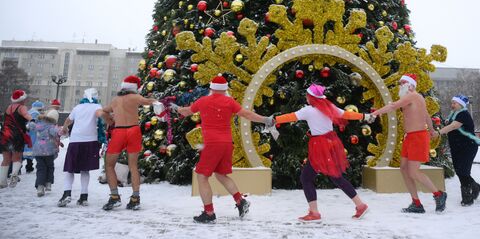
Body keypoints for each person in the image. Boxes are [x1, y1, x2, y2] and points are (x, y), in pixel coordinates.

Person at [176, 74, 272, 223]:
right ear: (225, 89)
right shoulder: (229, 102)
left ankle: (209, 213)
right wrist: (265, 119)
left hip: (212, 144)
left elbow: (187, 111)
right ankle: (241, 202)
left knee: (202, 177)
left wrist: (177, 108)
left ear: (211, 88)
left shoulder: (203, 101)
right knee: (221, 175)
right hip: (226, 144)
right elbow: (247, 114)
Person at [273, 84, 369, 222]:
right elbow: (347, 114)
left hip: (320, 146)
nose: (306, 97)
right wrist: (364, 116)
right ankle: (359, 205)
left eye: (307, 95)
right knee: (333, 177)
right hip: (331, 143)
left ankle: (315, 212)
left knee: (308, 178)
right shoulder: (329, 107)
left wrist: (273, 120)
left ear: (311, 97)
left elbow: (290, 117)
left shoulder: (308, 111)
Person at [368, 74, 447, 213]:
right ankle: (416, 203)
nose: (400, 85)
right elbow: (426, 115)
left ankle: (439, 194)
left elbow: (393, 106)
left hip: (418, 137)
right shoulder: (416, 98)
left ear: (410, 85)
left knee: (413, 172)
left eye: (402, 83)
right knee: (404, 169)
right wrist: (432, 129)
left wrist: (375, 114)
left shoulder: (412, 96)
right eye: (400, 83)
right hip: (410, 137)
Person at [100, 75, 157, 211]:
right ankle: (135, 198)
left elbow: (104, 111)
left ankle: (114, 197)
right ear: (134, 88)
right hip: (133, 130)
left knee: (109, 165)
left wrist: (109, 121)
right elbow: (150, 101)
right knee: (133, 166)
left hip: (119, 131)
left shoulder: (115, 100)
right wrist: (157, 101)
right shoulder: (135, 97)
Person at [58, 88, 104, 207]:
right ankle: (84, 197)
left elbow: (68, 120)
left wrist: (64, 128)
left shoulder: (77, 108)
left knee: (70, 169)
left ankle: (66, 194)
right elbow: (102, 117)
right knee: (85, 169)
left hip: (76, 141)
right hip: (91, 141)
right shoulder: (97, 107)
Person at [438, 95, 480, 206]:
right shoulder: (453, 115)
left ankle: (467, 198)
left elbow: (453, 126)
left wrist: (438, 133)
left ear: (461, 104)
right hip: (457, 147)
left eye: (454, 103)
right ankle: (475, 186)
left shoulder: (463, 114)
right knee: (459, 170)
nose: (452, 105)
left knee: (463, 171)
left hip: (468, 146)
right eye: (451, 103)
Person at [0, 90, 34, 188]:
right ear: (22, 99)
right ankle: (14, 174)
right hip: (16, 135)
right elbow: (26, 115)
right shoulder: (22, 107)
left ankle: (2, 181)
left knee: (6, 159)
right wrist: (32, 120)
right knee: (17, 157)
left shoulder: (9, 107)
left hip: (4, 134)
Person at [28, 109, 61, 196]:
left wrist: (32, 121)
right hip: (49, 151)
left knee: (40, 168)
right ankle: (48, 183)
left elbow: (30, 126)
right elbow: (57, 133)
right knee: (50, 167)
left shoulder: (38, 125)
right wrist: (63, 130)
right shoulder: (51, 127)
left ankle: (40, 187)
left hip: (38, 150)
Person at [23, 100, 44, 173]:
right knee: (30, 150)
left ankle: (19, 168)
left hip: (26, 133)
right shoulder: (36, 113)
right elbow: (33, 124)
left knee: (25, 150)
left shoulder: (29, 112)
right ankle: (29, 167)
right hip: (32, 134)